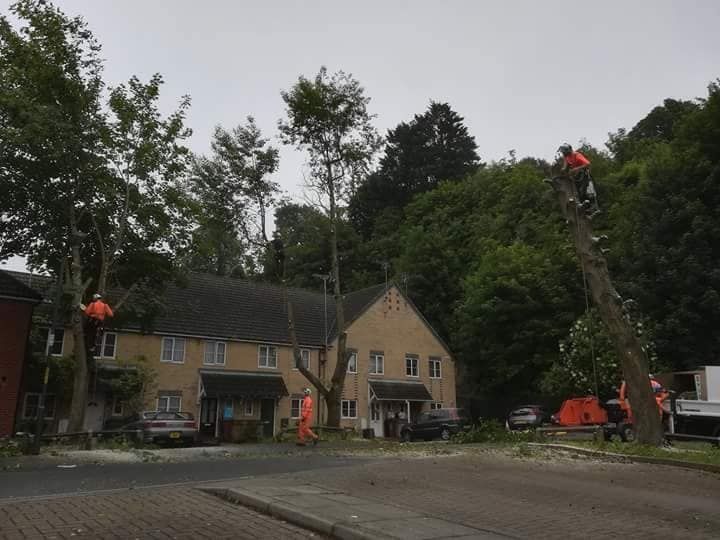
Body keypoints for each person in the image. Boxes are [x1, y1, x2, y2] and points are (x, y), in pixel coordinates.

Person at [558, 143, 599, 215]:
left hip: (584, 175)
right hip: (576, 177)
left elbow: (588, 164)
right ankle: (585, 209)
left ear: (568, 150)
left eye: (564, 152)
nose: (563, 154)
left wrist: (576, 169)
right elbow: (565, 166)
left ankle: (593, 207)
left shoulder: (576, 155)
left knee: (586, 191)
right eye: (563, 152)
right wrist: (563, 170)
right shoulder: (567, 157)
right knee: (579, 193)